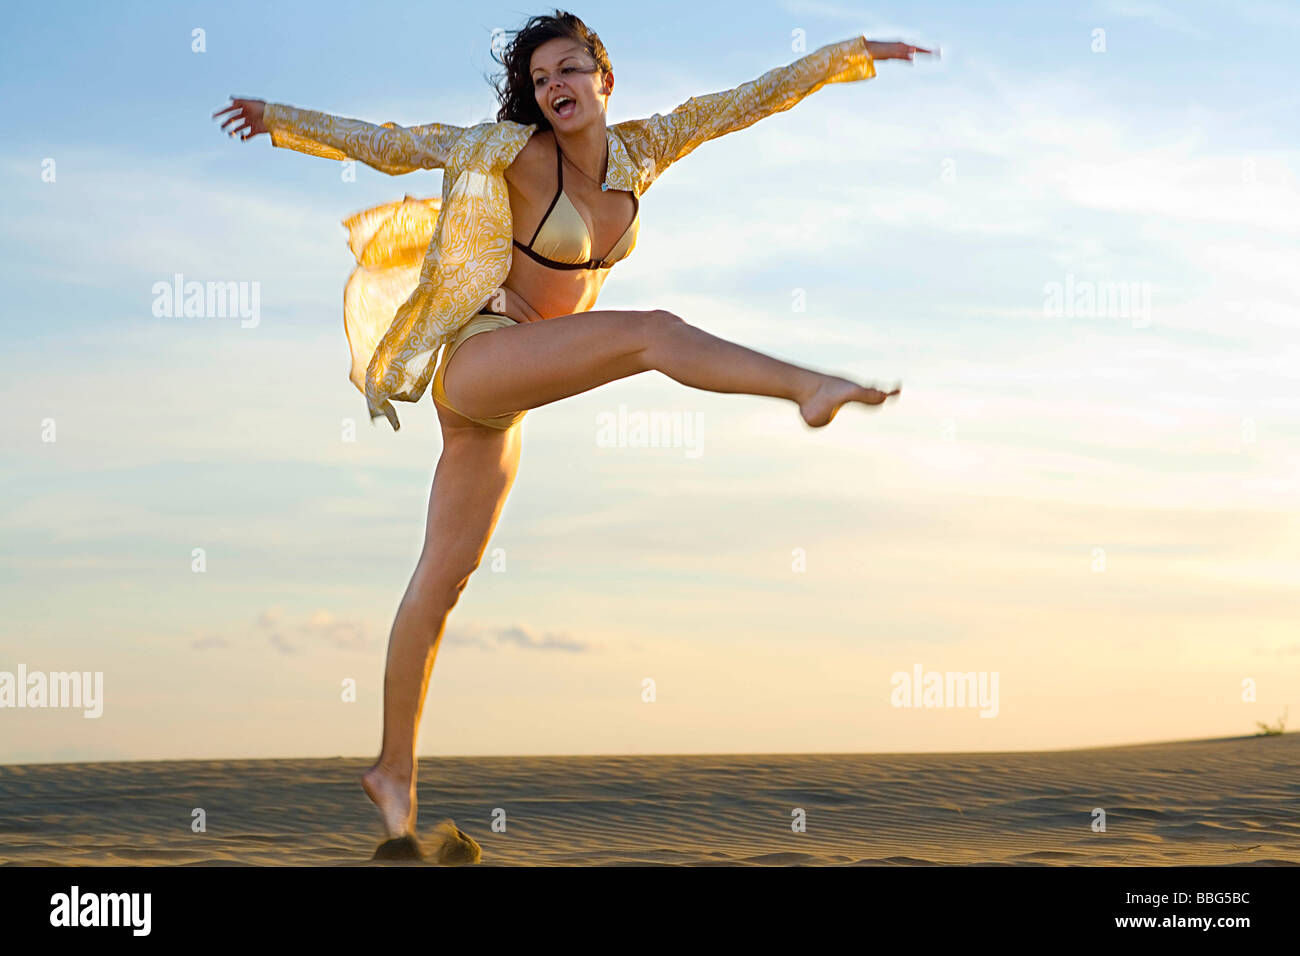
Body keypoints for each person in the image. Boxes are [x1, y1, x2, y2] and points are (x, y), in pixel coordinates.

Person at [214, 10, 931, 856]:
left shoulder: (646, 149)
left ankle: (393, 776)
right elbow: (395, 142)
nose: (555, 87)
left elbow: (750, 100)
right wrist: (283, 122)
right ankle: (810, 388)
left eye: (569, 70)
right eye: (542, 78)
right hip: (478, 359)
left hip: (505, 403)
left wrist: (848, 56)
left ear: (604, 76)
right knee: (651, 331)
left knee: (440, 581)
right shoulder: (509, 152)